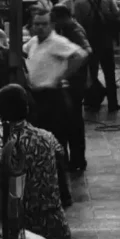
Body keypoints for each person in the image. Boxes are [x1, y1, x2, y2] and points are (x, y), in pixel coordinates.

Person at [0, 84, 73, 239]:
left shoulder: (12, 146)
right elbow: (61, 171)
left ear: (1, 116)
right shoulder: (48, 137)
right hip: (55, 226)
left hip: (30, 232)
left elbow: (15, 192)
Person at [24, 10, 88, 157]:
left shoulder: (57, 42)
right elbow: (23, 51)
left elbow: (80, 55)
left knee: (57, 138)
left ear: (51, 25)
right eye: (37, 24)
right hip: (36, 95)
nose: (40, 27)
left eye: (44, 24)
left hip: (53, 95)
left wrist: (61, 76)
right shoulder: (33, 42)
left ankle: (61, 171)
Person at [51, 4, 91, 173]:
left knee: (73, 123)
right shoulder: (67, 28)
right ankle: (73, 159)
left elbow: (86, 50)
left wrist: (67, 73)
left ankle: (77, 160)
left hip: (74, 84)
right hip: (73, 82)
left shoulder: (73, 30)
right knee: (69, 122)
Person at [73, 0, 120, 113]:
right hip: (106, 40)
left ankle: (92, 102)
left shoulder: (79, 1)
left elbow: (79, 23)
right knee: (110, 73)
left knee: (91, 73)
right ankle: (113, 104)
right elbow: (116, 14)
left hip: (90, 41)